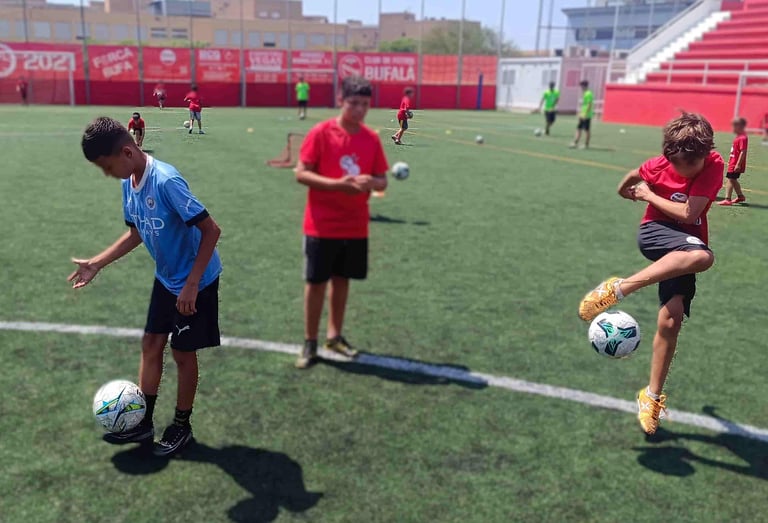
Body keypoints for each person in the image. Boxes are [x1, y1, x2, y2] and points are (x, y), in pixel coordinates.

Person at [71, 116, 222, 457]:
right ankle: (143, 421)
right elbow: (135, 233)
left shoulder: (166, 181)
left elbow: (211, 230)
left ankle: (181, 425)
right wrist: (97, 263)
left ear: (127, 152)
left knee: (183, 353)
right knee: (151, 343)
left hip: (196, 281)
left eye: (107, 167)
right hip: (168, 278)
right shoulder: (130, 181)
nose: (107, 175)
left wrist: (192, 285)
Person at [578, 112, 722, 436]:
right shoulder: (658, 165)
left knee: (670, 320)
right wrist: (628, 192)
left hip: (686, 241)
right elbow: (629, 180)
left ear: (702, 155)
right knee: (702, 256)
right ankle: (619, 289)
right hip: (655, 231)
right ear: (668, 155)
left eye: (690, 167)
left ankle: (651, 397)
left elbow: (690, 213)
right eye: (677, 166)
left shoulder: (713, 164)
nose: (682, 172)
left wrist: (647, 194)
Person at [294, 76, 389, 369]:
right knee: (316, 283)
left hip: (355, 225)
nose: (359, 110)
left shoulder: (371, 138)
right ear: (340, 101)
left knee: (342, 281)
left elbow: (382, 179)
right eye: (353, 103)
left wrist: (371, 181)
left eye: (364, 104)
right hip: (321, 225)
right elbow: (301, 173)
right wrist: (338, 185)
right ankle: (310, 342)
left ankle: (334, 336)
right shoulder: (321, 133)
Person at [717, 117, 748, 206]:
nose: (733, 128)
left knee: (730, 179)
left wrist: (738, 164)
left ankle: (727, 199)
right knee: (733, 180)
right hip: (733, 162)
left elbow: (743, 151)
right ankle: (740, 196)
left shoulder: (742, 137)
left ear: (741, 126)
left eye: (735, 126)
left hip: (735, 164)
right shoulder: (739, 137)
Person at [570, 80, 593, 149]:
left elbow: (589, 104)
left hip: (586, 115)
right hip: (582, 114)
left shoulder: (589, 93)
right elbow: (584, 105)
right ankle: (575, 143)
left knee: (586, 130)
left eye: (581, 86)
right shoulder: (585, 93)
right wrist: (580, 113)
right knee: (578, 128)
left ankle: (586, 145)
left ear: (584, 86)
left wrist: (585, 114)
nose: (581, 87)